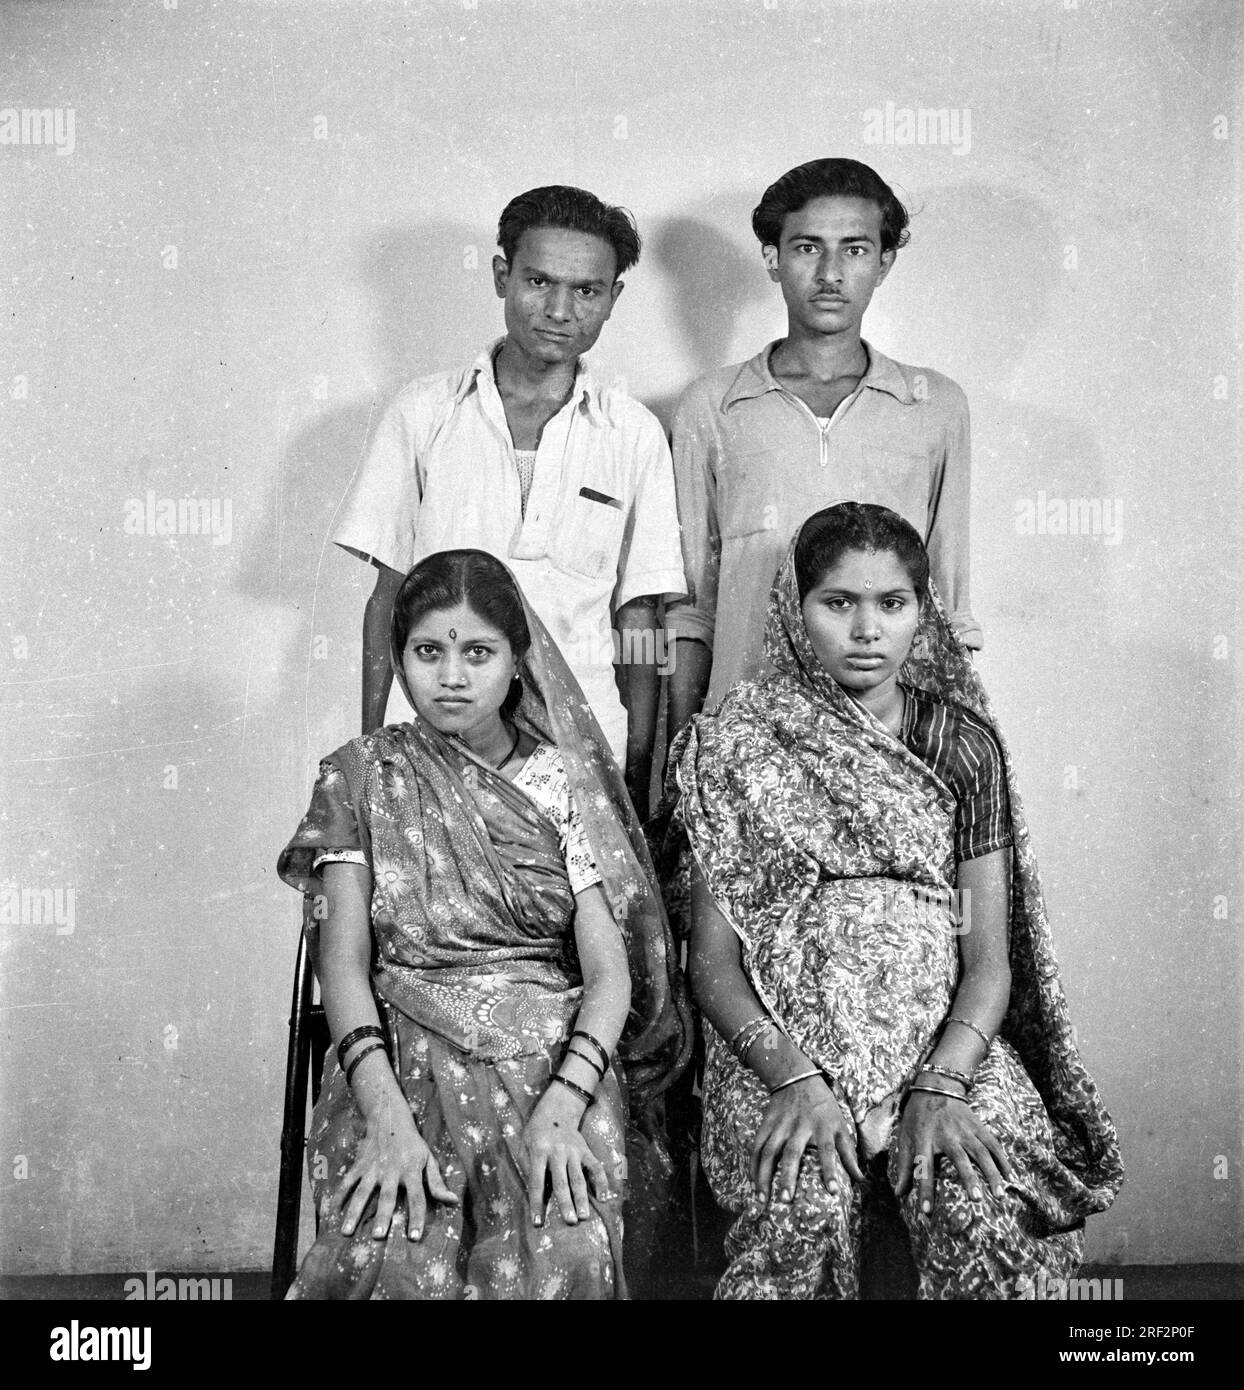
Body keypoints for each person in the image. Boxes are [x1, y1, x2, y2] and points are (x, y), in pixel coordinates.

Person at [670, 503, 1122, 1299]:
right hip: (784, 1052)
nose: (866, 629)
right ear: (794, 608)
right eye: (837, 603)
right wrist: (791, 1079)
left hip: (944, 1047)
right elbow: (711, 962)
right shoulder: (736, 743)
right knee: (799, 1202)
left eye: (892, 603)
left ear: (924, 613)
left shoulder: (961, 746)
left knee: (976, 1197)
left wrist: (942, 1086)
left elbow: (988, 960)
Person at [278, 549, 690, 1299]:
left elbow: (608, 974)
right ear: (401, 662)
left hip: (550, 1061)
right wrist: (388, 1122)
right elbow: (341, 964)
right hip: (398, 1060)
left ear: (517, 661)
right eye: (429, 652)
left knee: (564, 1256)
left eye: (478, 652)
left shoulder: (563, 783)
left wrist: (564, 1107)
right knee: (396, 1260)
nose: (453, 676)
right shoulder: (362, 775)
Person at [335, 185, 686, 811]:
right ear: (502, 277)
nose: (559, 309)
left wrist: (635, 765)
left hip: (582, 749)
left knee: (585, 911)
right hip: (436, 743)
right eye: (538, 281)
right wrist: (370, 748)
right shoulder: (424, 415)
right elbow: (388, 596)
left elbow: (639, 620)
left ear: (613, 299)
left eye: (586, 290)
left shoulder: (632, 434)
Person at [666, 158, 981, 748]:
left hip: (888, 744)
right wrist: (682, 762)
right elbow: (693, 609)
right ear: (773, 259)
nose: (831, 272)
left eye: (856, 250)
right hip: (745, 740)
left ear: (885, 262)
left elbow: (948, 604)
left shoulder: (934, 405)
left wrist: (949, 756)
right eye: (808, 247)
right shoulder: (712, 407)